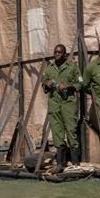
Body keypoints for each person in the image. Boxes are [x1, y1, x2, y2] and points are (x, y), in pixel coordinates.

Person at [42, 44, 82, 173]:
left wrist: (69, 86)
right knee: (57, 133)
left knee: (71, 130)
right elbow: (44, 87)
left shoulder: (72, 67)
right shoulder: (49, 69)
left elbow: (81, 82)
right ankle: (60, 163)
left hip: (68, 104)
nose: (57, 54)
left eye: (60, 52)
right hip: (54, 104)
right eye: (55, 52)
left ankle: (75, 162)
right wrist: (47, 85)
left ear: (65, 54)